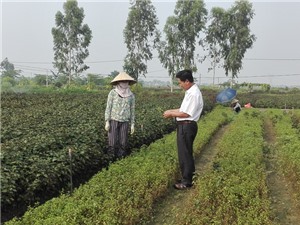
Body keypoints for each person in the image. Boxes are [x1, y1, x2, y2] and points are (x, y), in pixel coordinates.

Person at [163, 69, 203, 190]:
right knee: (185, 153)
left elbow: (186, 114)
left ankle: (186, 182)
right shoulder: (190, 92)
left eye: (180, 82)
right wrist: (171, 111)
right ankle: (187, 177)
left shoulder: (193, 94)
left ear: (187, 81)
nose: (179, 85)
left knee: (185, 154)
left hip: (187, 125)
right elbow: (182, 109)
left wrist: (171, 114)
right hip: (185, 125)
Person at [105, 72, 136, 160]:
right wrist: (107, 121)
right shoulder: (112, 93)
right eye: (122, 81)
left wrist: (132, 124)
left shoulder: (131, 95)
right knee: (112, 142)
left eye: (126, 81)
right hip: (113, 120)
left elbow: (132, 110)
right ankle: (111, 160)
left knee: (123, 142)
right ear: (118, 82)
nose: (124, 83)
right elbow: (108, 107)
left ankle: (121, 160)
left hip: (125, 121)